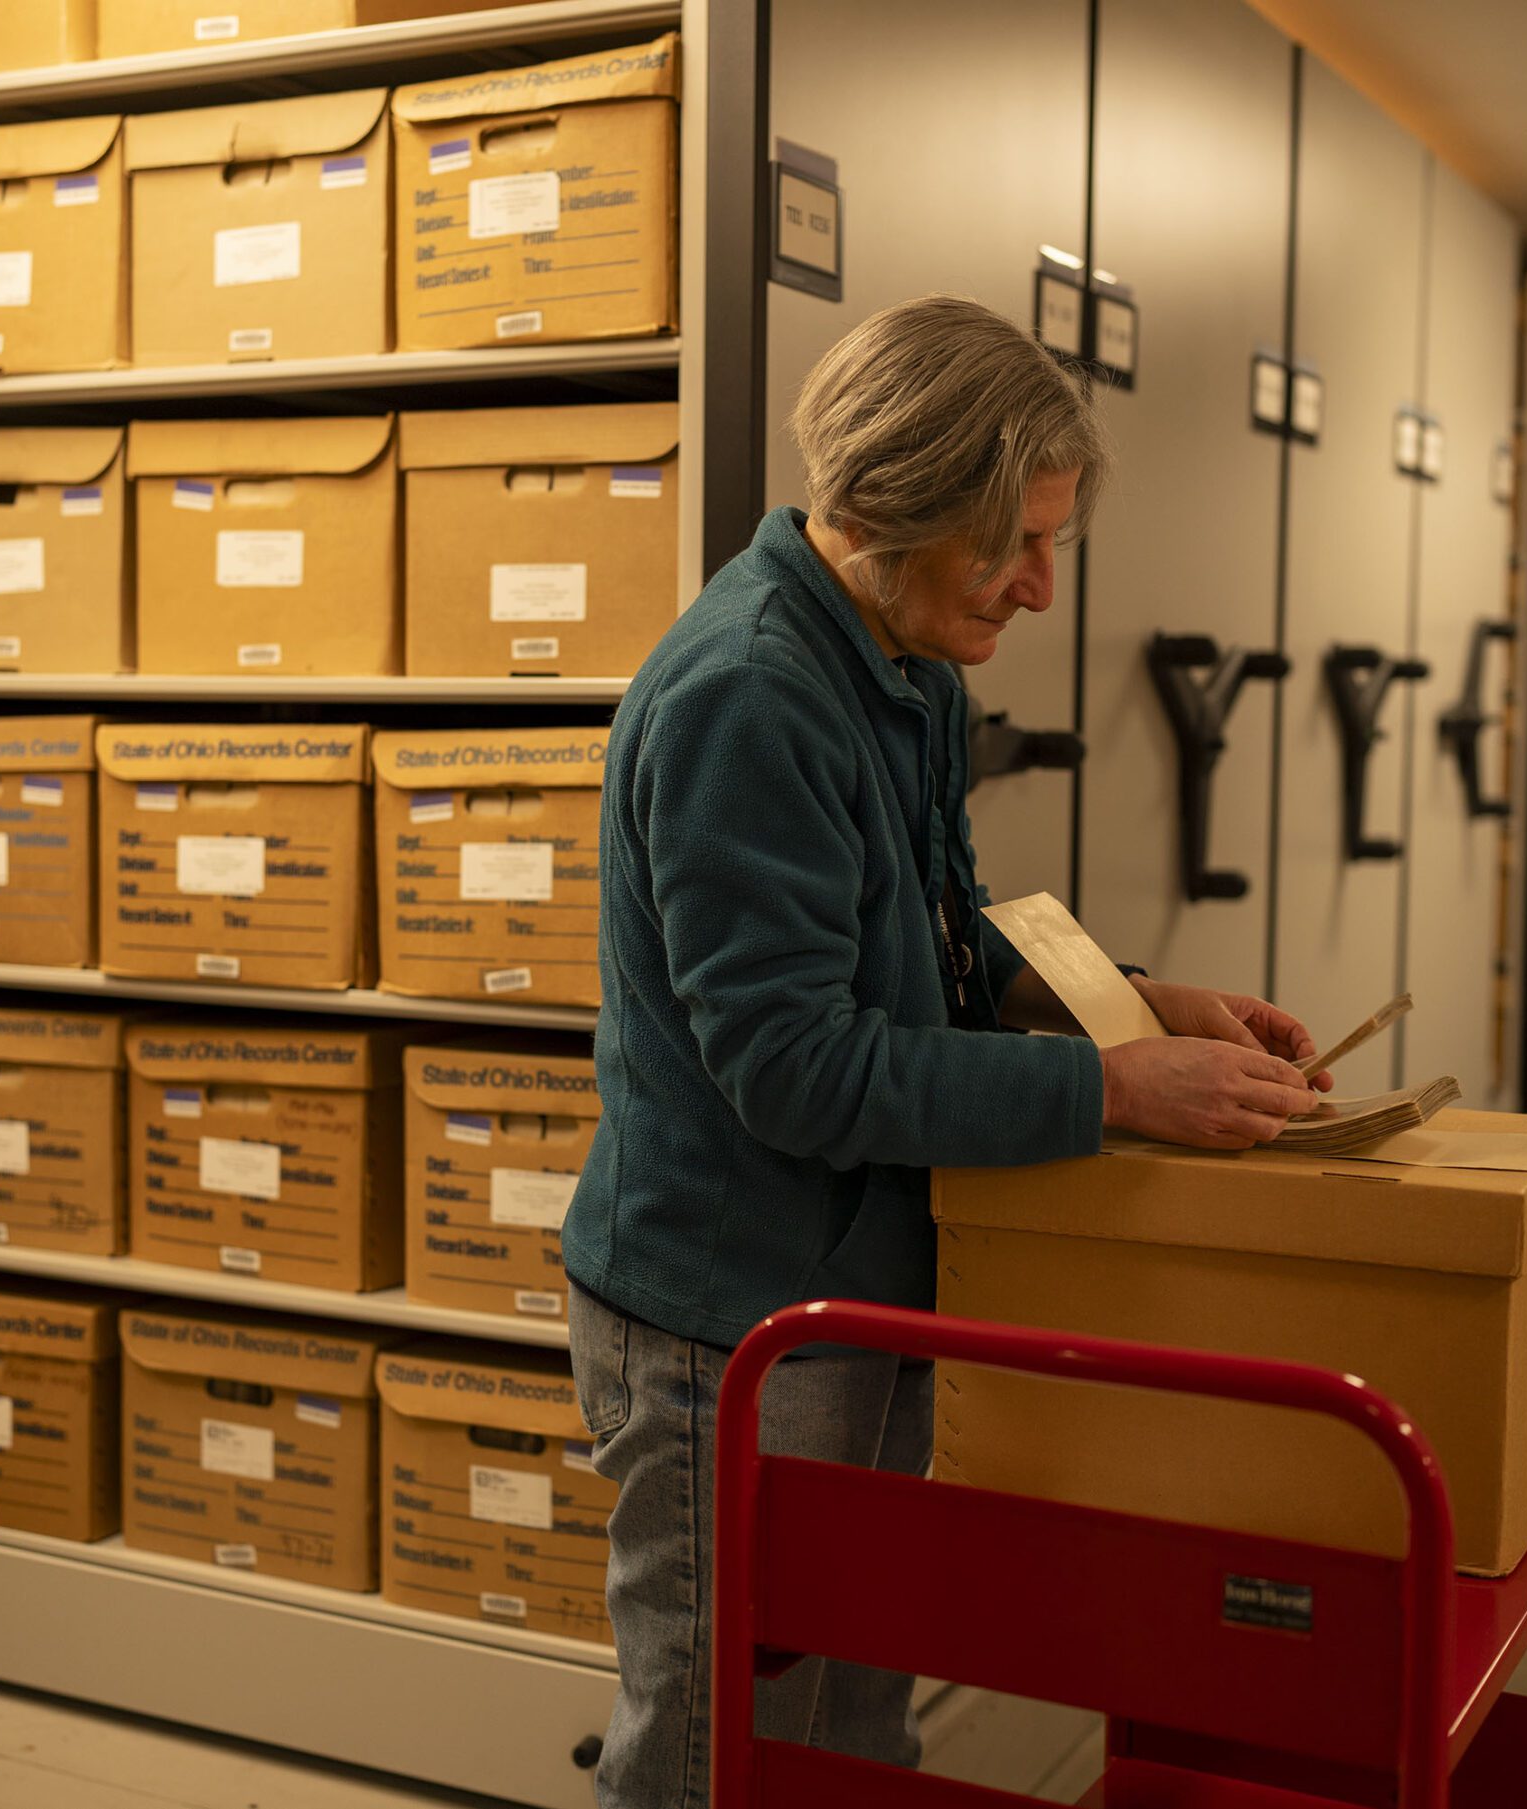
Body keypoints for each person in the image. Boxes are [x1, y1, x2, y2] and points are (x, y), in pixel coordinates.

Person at [562, 293, 1329, 1808]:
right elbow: (799, 1066)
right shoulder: (750, 696)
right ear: (893, 505)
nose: (1044, 590)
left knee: (853, 1731)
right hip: (732, 1320)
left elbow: (937, 933)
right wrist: (1108, 1090)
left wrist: (1134, 998)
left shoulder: (903, 666)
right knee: (722, 1743)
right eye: (1014, 546)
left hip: (857, 1286)